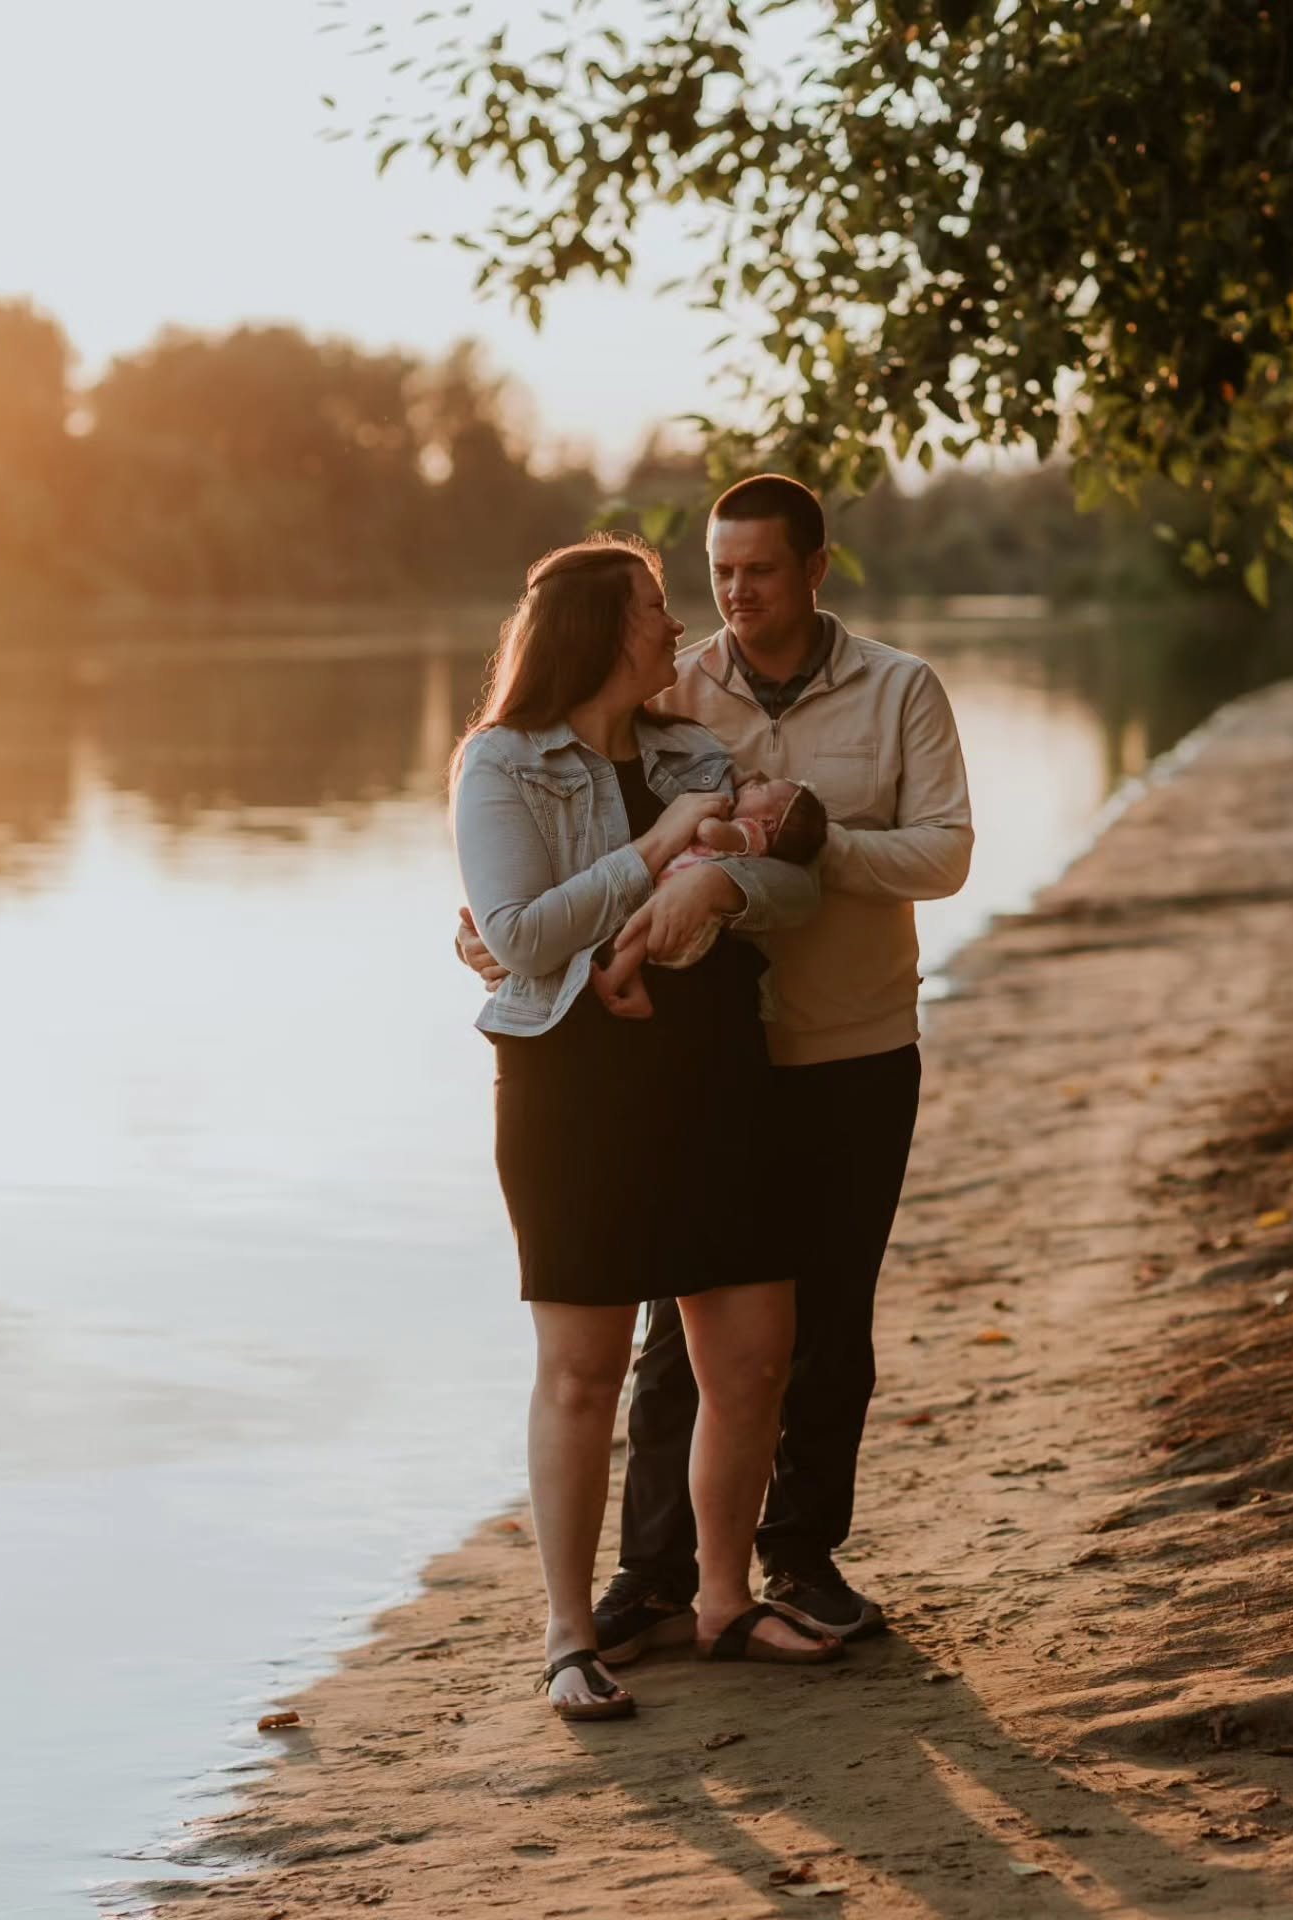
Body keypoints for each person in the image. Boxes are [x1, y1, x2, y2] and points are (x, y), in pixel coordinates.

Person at [459, 477, 973, 1660]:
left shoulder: (895, 689)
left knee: (819, 1322)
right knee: (667, 1342)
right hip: (690, 1063)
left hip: (844, 1040)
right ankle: (656, 1573)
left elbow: (938, 857)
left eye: (760, 572)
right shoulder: (672, 696)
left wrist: (748, 861)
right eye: (714, 574)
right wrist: (498, 927)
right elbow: (540, 885)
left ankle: (796, 1560)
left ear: (816, 570)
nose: (729, 597)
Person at [452, 533, 842, 1721]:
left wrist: (713, 877)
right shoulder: (500, 764)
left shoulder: (692, 751)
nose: (678, 625)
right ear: (598, 632)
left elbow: (797, 885)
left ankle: (722, 1600)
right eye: (654, 607)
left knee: (754, 1357)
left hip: (716, 1072)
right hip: (573, 1089)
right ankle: (570, 1636)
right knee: (582, 1373)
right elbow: (519, 935)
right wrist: (660, 849)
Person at [592, 779, 828, 1018]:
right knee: (634, 937)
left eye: (761, 788)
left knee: (636, 933)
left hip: (684, 912)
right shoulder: (751, 839)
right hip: (680, 902)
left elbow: (708, 832)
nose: (754, 784)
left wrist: (708, 814)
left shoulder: (750, 832)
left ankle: (612, 979)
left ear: (767, 823)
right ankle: (636, 993)